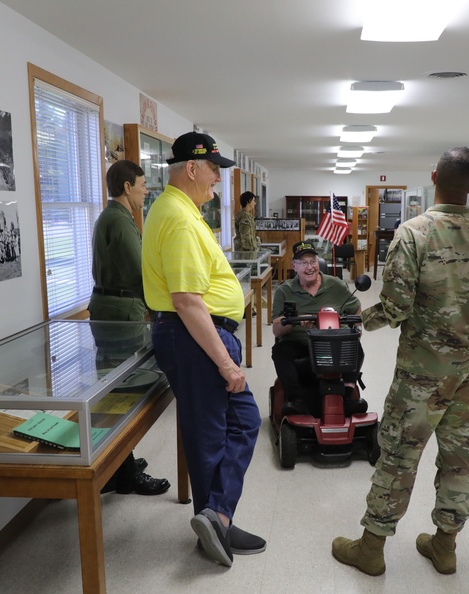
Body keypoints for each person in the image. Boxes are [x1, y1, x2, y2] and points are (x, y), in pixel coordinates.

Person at [331, 146, 469, 576]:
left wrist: (357, 321)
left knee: (398, 456)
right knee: (457, 461)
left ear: (433, 177)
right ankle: (445, 545)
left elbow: (395, 307)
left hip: (420, 375)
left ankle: (372, 548)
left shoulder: (412, 234)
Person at [142, 131, 265, 567]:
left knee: (229, 426)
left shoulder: (183, 210)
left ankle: (217, 519)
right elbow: (187, 301)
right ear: (191, 169)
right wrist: (228, 363)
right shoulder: (176, 216)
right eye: (213, 168)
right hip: (194, 335)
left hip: (199, 332)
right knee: (219, 431)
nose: (218, 177)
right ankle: (216, 518)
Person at [89, 159, 170, 496]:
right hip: (123, 315)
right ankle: (124, 473)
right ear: (126, 187)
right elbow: (139, 275)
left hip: (112, 308)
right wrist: (162, 310)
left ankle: (121, 462)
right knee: (128, 396)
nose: (145, 190)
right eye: (141, 184)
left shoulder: (113, 217)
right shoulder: (119, 221)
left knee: (116, 394)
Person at [271, 239, 365, 416]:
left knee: (355, 346)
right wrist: (295, 321)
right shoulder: (284, 291)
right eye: (304, 263)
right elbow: (277, 329)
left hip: (332, 343)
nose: (310, 267)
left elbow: (356, 308)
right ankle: (296, 400)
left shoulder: (335, 284)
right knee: (280, 351)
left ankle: (347, 394)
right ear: (294, 266)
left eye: (313, 261)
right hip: (300, 344)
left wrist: (357, 328)